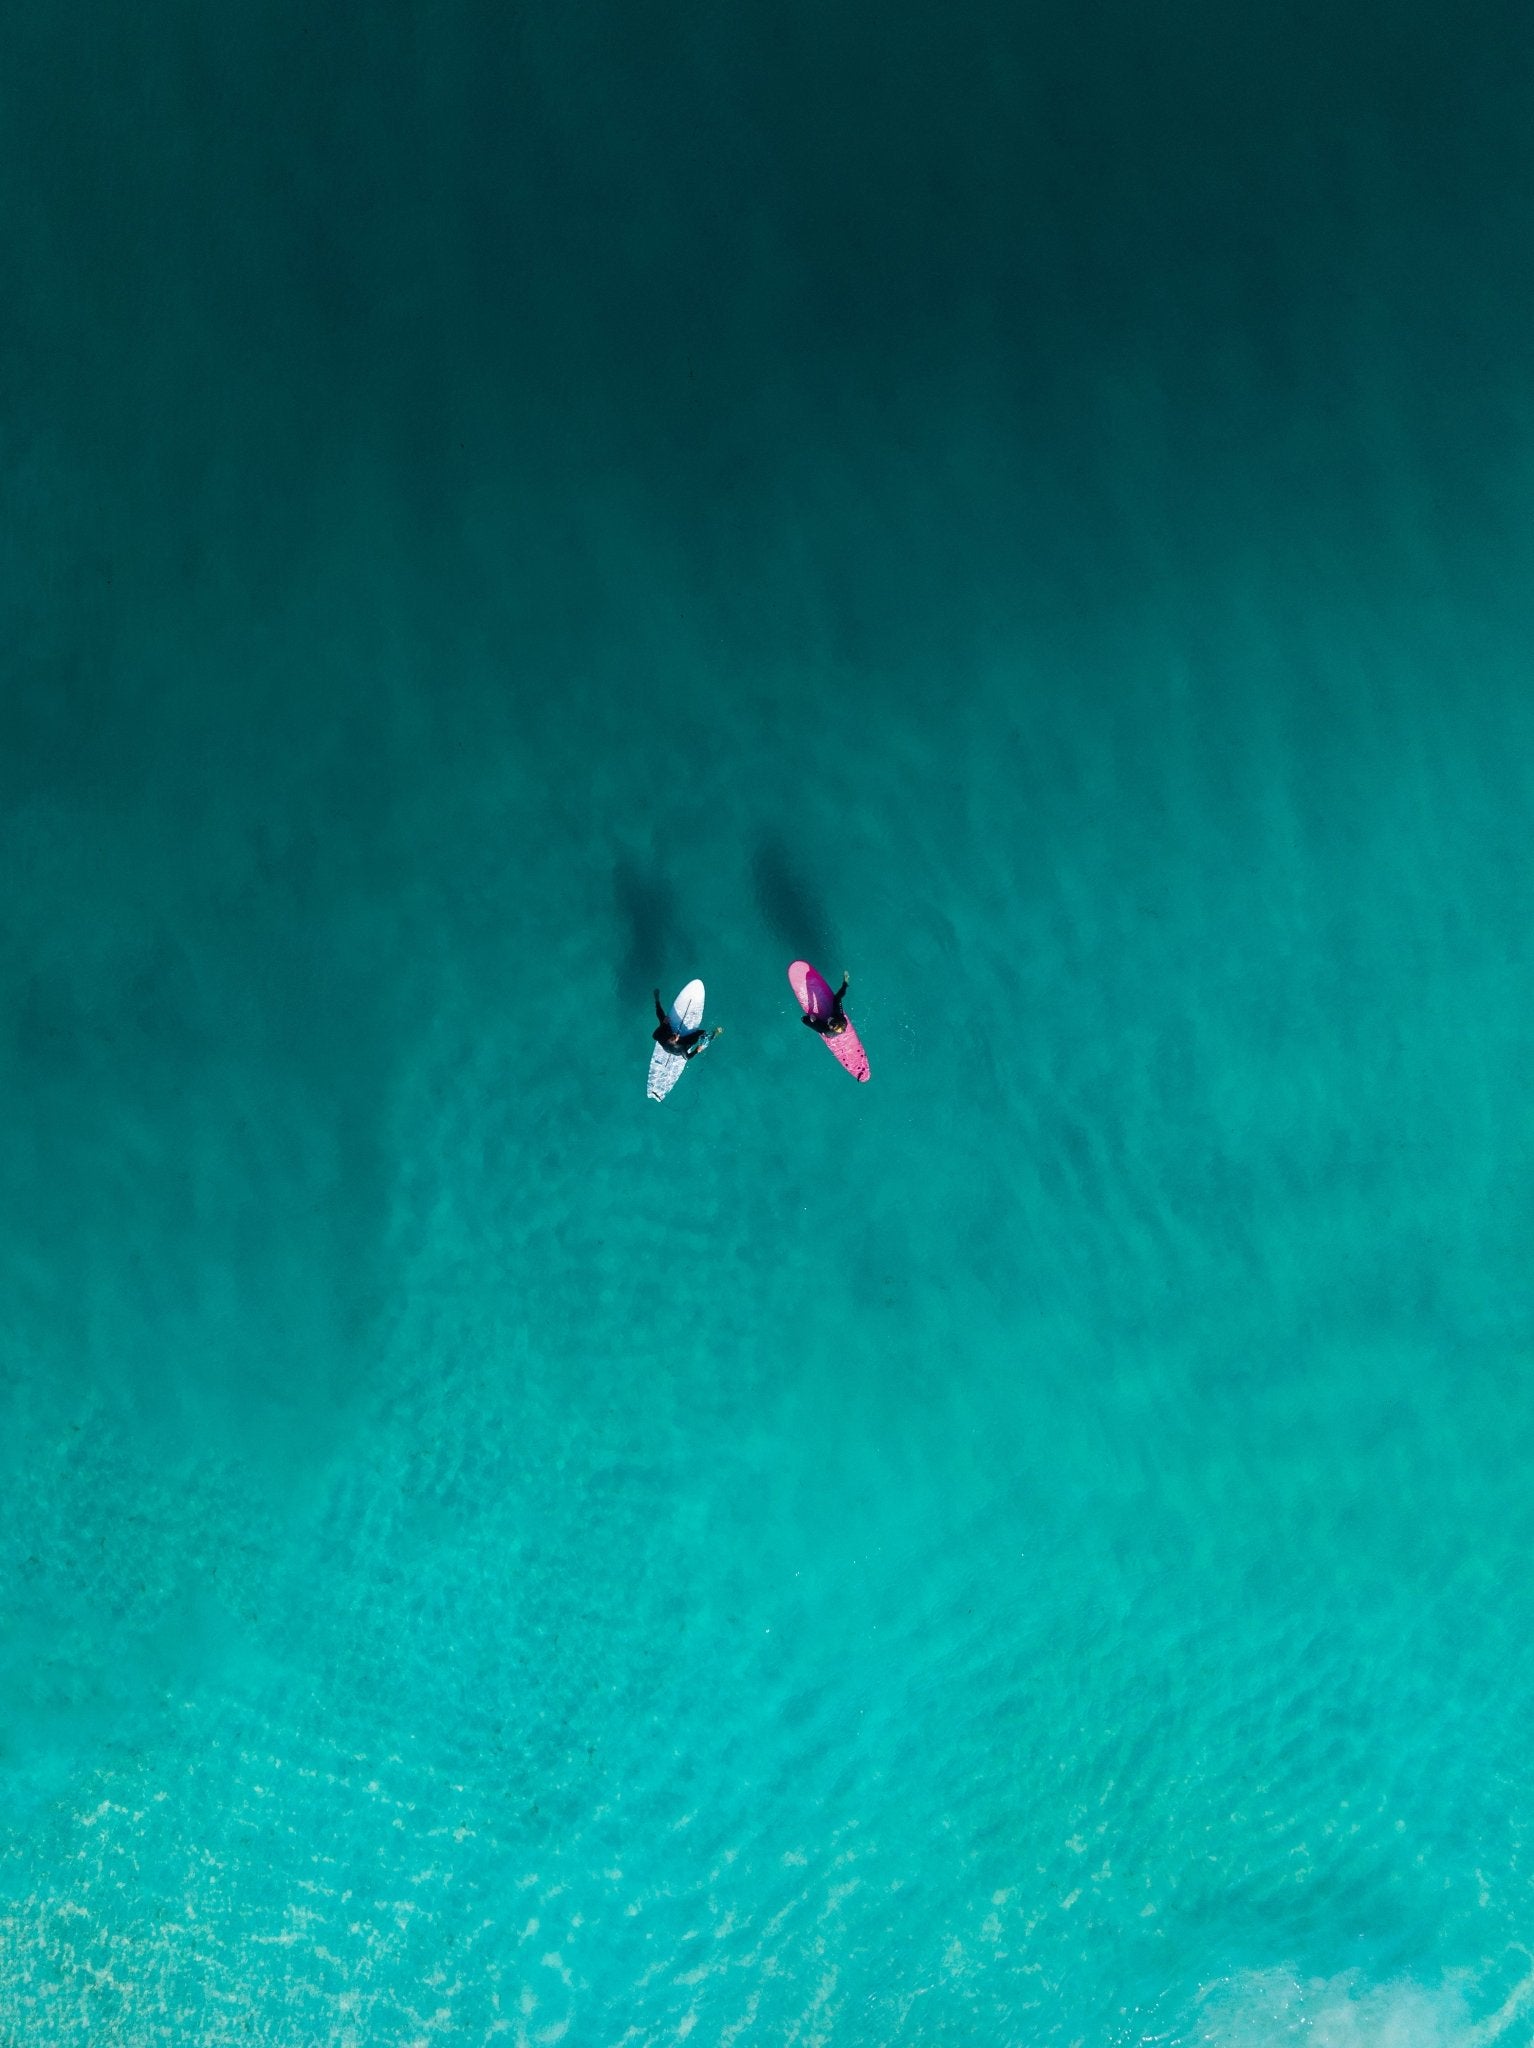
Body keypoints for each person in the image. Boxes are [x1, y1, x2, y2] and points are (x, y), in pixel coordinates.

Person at [653, 990, 721, 1059]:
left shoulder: (662, 1038)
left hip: (667, 1046)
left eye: (674, 1035)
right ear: (676, 1041)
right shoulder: (681, 1046)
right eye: (676, 1036)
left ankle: (657, 1001)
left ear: (668, 1039)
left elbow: (654, 1036)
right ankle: (714, 1034)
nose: (678, 1035)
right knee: (700, 1033)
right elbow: (687, 1058)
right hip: (678, 1050)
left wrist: (663, 1024)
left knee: (662, 1019)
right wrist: (696, 1051)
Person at [803, 970, 851, 1037]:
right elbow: (838, 1003)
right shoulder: (842, 1021)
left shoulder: (828, 1031)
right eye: (831, 1019)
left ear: (830, 1026)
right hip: (837, 1015)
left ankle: (815, 1021)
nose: (829, 1019)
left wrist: (813, 1021)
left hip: (826, 1029)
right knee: (837, 998)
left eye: (829, 1021)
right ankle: (845, 983)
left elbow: (804, 1020)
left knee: (806, 1020)